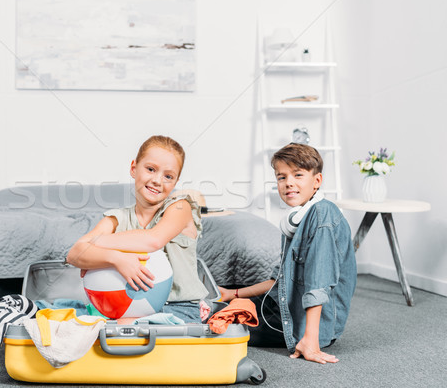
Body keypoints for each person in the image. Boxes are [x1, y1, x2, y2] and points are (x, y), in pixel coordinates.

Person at [219, 143, 357, 364]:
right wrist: (232, 293)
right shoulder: (298, 219)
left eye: (298, 175)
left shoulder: (322, 215)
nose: (288, 182)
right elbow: (279, 279)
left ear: (317, 181)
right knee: (223, 306)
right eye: (281, 177)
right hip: (286, 305)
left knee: (219, 320)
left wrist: (310, 340)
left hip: (307, 328)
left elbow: (318, 282)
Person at [66, 135, 208, 322]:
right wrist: (115, 258)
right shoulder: (117, 218)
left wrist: (96, 244)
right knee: (77, 316)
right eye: (150, 169)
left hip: (179, 307)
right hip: (129, 305)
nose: (157, 180)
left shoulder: (180, 207)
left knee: (123, 327)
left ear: (175, 182)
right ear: (134, 168)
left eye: (168, 176)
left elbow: (153, 240)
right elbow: (73, 254)